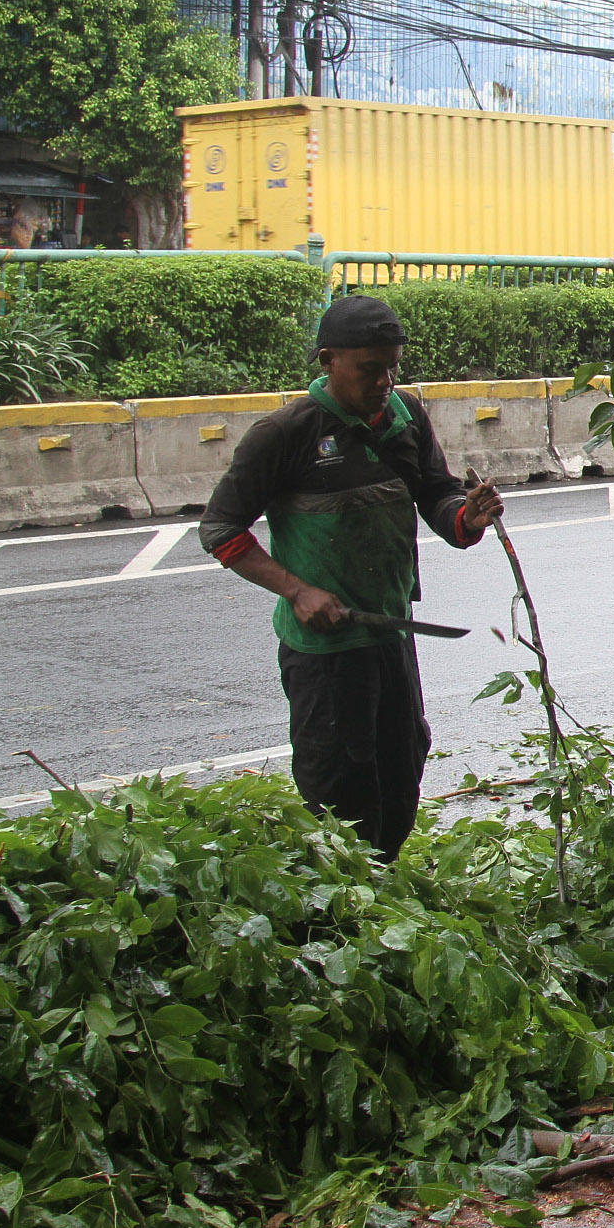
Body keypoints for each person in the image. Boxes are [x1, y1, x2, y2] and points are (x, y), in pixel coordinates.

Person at [198, 298, 503, 859]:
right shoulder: (285, 434)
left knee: (402, 770)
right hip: (325, 652)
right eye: (370, 369)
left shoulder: (406, 416)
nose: (385, 381)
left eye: (393, 367)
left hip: (391, 634)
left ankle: (383, 890)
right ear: (327, 361)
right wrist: (296, 590)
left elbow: (436, 495)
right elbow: (220, 529)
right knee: (338, 792)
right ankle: (345, 915)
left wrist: (466, 517)